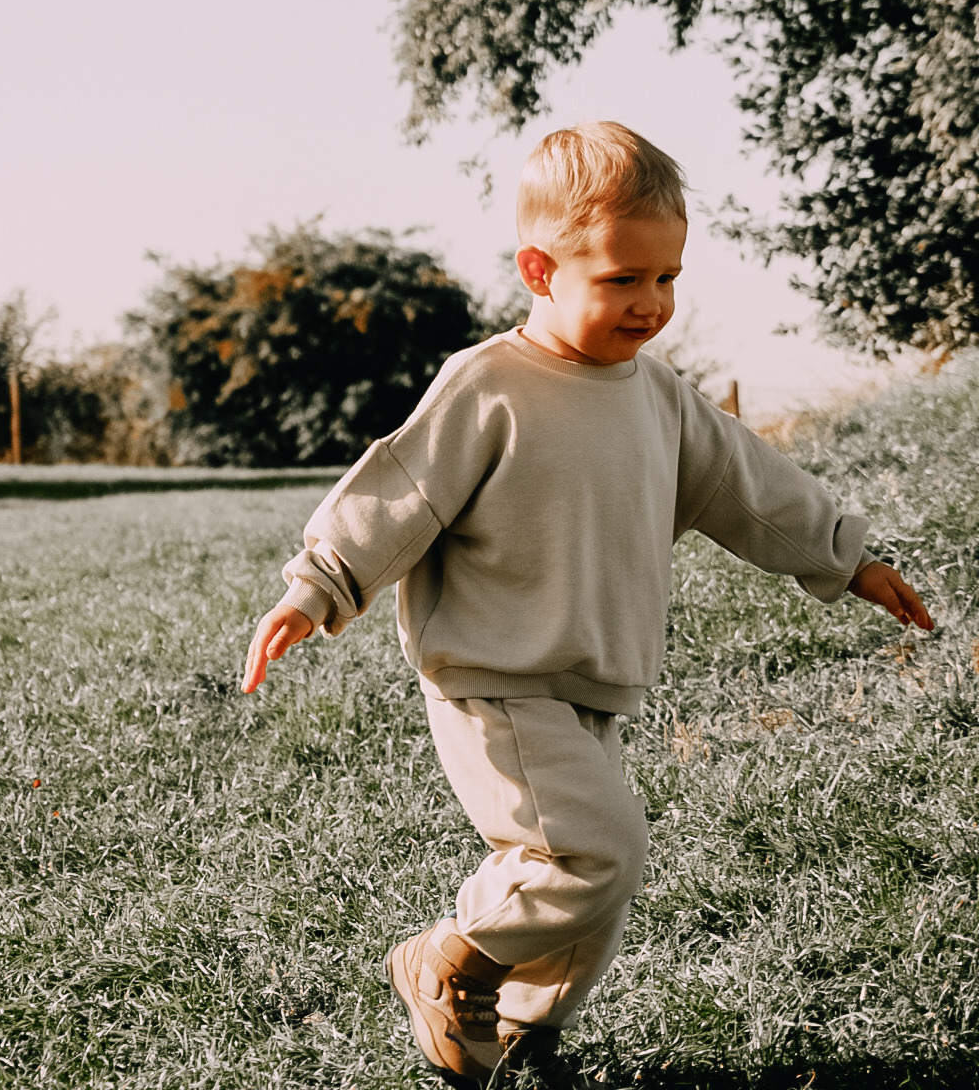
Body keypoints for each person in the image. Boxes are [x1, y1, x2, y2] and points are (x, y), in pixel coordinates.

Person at [241, 121, 934, 1090]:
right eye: (623, 278)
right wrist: (316, 586)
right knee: (593, 850)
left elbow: (752, 486)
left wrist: (847, 556)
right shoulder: (490, 384)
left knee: (594, 882)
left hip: (594, 681)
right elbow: (399, 492)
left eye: (668, 276)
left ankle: (516, 1022)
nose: (652, 302)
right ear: (540, 268)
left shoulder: (660, 398)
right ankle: (446, 957)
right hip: (497, 673)